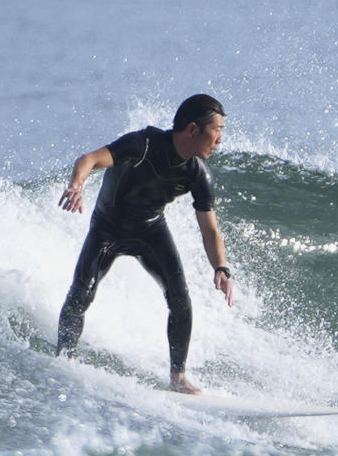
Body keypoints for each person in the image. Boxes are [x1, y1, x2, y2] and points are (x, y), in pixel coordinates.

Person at [55, 94, 233, 395]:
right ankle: (63, 359)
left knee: (180, 296)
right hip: (107, 228)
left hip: (150, 230)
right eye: (217, 130)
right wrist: (77, 185)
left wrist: (222, 268)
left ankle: (178, 377)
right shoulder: (143, 145)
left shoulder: (197, 174)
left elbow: (210, 230)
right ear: (192, 130)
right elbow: (90, 159)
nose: (220, 140)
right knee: (81, 294)